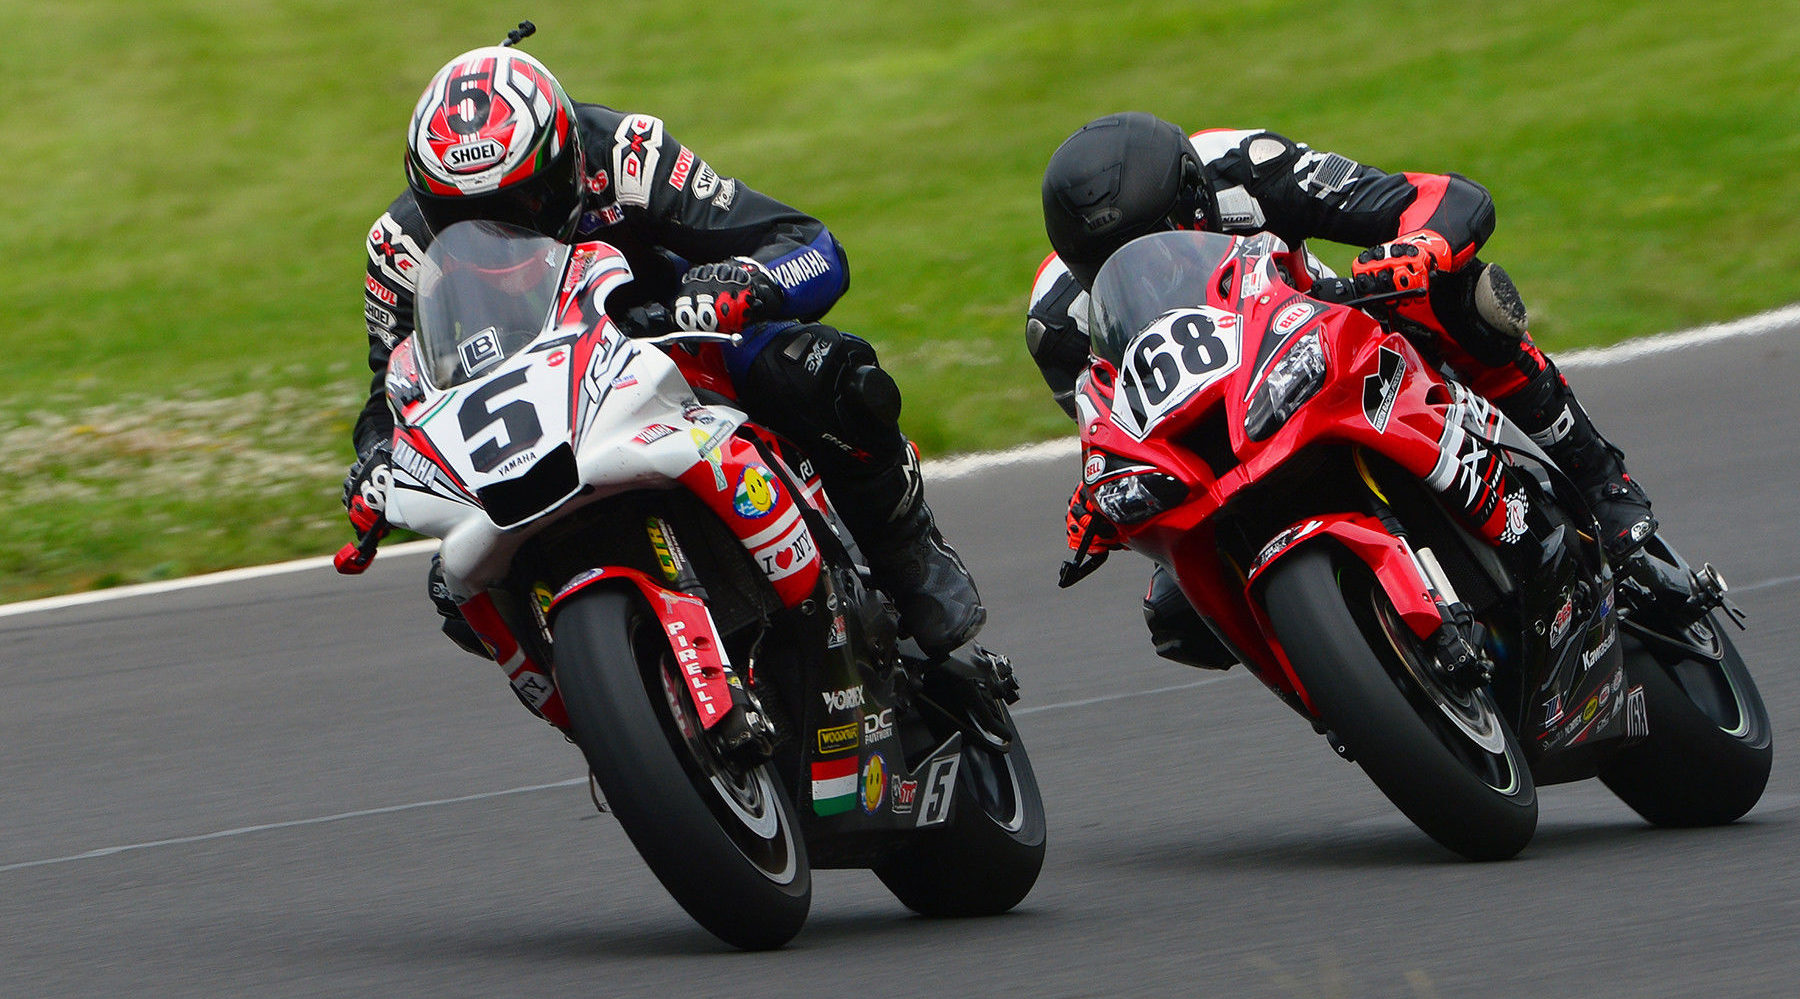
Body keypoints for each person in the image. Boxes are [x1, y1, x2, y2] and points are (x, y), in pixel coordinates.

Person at [344, 43, 983, 663]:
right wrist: (375, 462)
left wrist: (745, 283)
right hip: (524, 417)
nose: (500, 235)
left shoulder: (625, 154)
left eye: (522, 205)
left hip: (667, 347)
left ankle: (908, 551)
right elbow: (390, 394)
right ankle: (607, 706)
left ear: (565, 162)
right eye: (466, 217)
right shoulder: (399, 245)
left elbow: (810, 243)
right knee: (455, 590)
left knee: (817, 371)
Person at [1027, 112, 1657, 668]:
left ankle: (1602, 481)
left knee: (1460, 297)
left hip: (1328, 338)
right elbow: (1113, 423)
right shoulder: (1056, 322)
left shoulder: (1245, 166)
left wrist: (1419, 247)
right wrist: (1101, 494)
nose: (1146, 265)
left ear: (1193, 198)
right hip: (1219, 441)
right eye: (1105, 260)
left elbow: (1435, 198)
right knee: (1177, 617)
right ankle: (1339, 684)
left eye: (1151, 240)